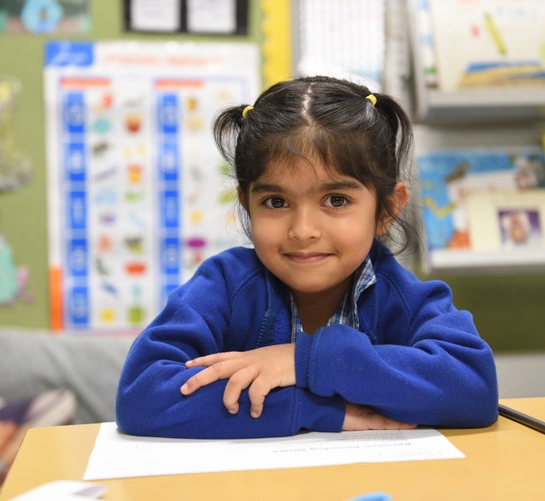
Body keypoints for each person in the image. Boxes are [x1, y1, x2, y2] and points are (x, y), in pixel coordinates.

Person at [116, 76, 498, 439]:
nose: (302, 230)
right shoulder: (223, 285)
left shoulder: (407, 298)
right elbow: (142, 397)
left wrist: (305, 360)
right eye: (276, 202)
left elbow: (474, 389)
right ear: (247, 206)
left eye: (336, 200)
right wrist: (314, 410)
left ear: (386, 210)